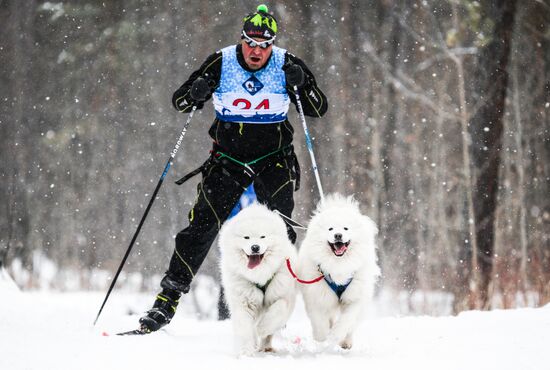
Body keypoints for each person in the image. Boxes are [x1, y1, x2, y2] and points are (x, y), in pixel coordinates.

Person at [138, 4, 328, 332]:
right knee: (201, 227)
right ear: (241, 40)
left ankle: (273, 309)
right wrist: (197, 90)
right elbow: (180, 102)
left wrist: (302, 84)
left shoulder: (286, 63)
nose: (256, 51)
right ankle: (166, 302)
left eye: (264, 45)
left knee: (280, 232)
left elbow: (318, 108)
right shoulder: (222, 61)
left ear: (272, 44)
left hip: (275, 159)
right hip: (228, 159)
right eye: (251, 43)